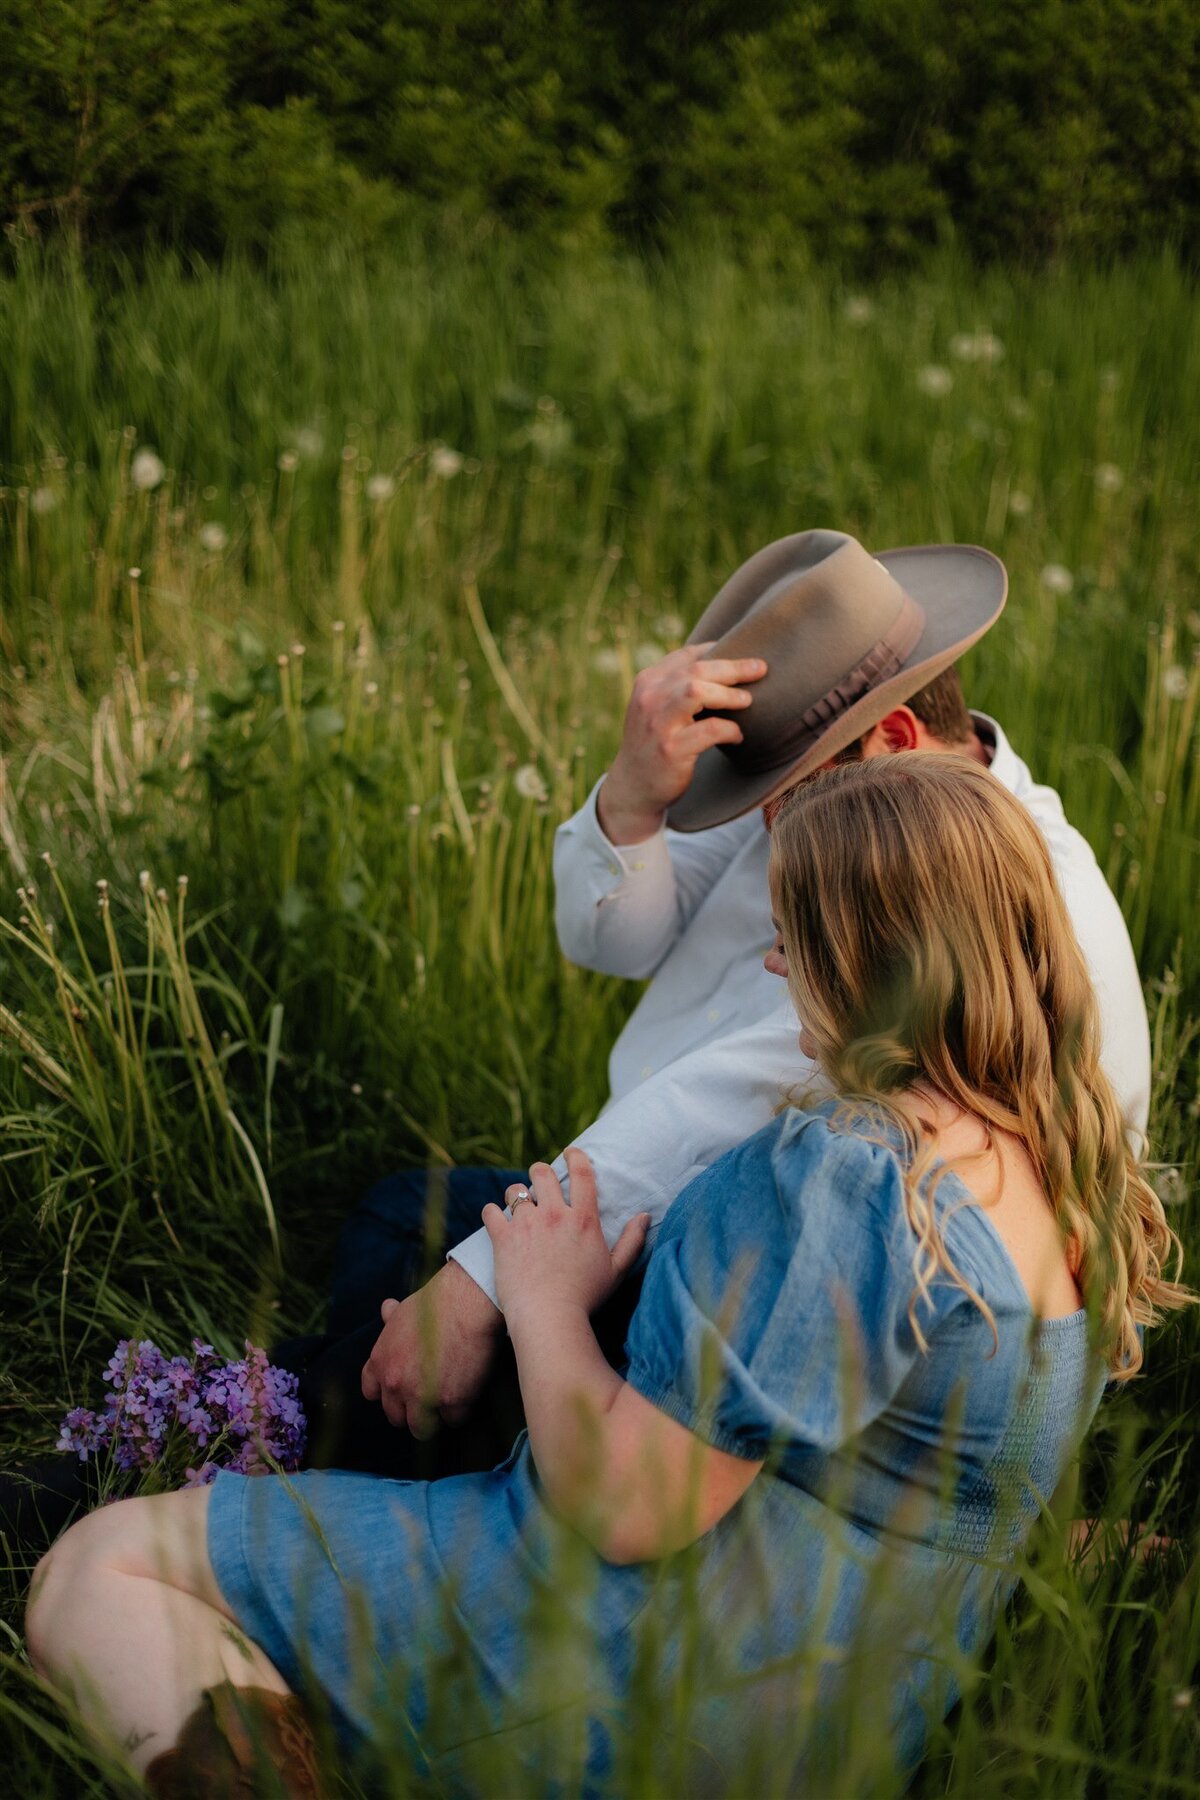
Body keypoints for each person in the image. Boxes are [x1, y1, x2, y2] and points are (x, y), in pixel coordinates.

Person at [25, 754, 1187, 1797]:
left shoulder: (852, 1175)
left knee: (104, 1570)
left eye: (796, 932)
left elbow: (631, 1509)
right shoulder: (1071, 1175)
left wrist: (538, 1294)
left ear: (877, 960)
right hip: (836, 1729)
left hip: (625, 1681)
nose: (777, 960)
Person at [350, 530, 1150, 1451]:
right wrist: (634, 797)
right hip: (713, 1196)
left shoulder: (967, 890)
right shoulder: (832, 767)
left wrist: (482, 1283)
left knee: (446, 1329)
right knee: (400, 1212)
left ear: (889, 736)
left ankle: (298, 1433)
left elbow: (739, 1095)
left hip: (845, 1292)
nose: (765, 819)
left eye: (774, 792)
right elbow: (612, 938)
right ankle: (356, 1414)